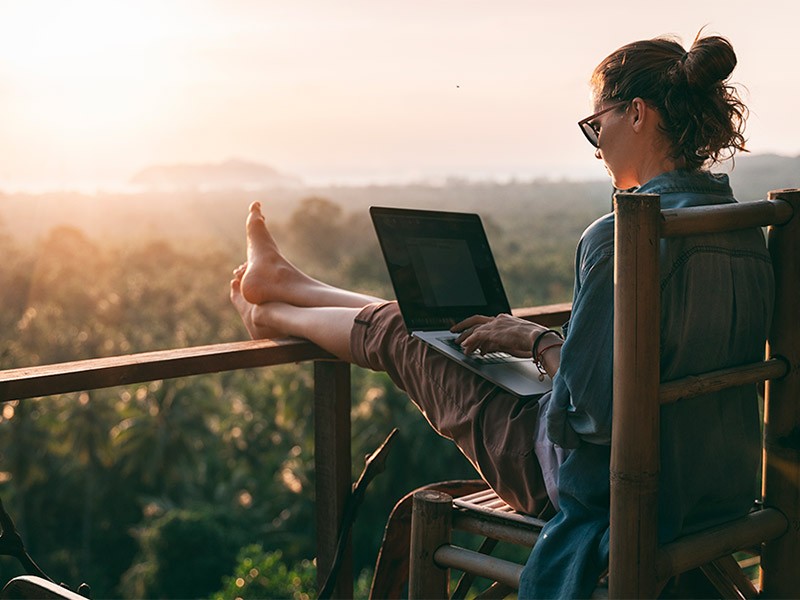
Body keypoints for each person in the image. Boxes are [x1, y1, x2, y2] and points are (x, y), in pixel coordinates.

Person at [231, 32, 773, 599]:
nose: (596, 147)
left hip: (609, 489)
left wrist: (538, 344)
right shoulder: (742, 228)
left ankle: (271, 315)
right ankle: (289, 286)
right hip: (715, 487)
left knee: (407, 333)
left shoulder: (622, 238)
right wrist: (535, 345)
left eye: (597, 125)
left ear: (636, 114)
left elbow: (591, 416)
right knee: (424, 322)